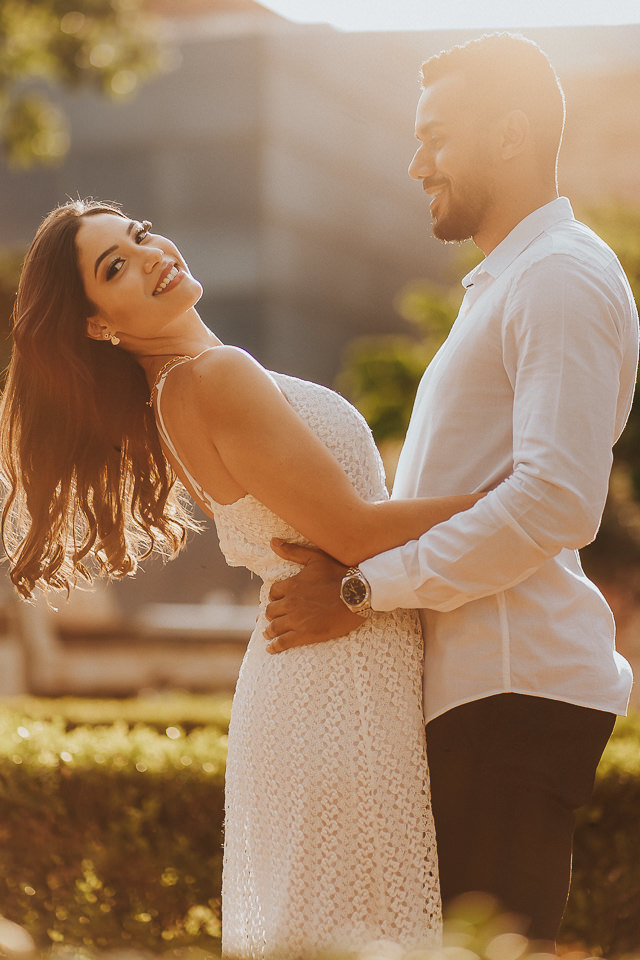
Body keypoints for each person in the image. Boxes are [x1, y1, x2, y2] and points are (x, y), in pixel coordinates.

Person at [0, 199, 484, 957]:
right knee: (369, 927)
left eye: (138, 234)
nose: (152, 252)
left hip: (318, 674)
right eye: (116, 267)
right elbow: (354, 530)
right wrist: (521, 494)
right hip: (336, 685)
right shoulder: (212, 376)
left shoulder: (187, 385)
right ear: (97, 324)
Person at [263, 32, 640, 946]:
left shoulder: (558, 277)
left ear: (509, 136)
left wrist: (361, 591)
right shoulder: (507, 283)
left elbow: (555, 499)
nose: (414, 161)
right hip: (481, 700)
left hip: (512, 697)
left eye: (436, 136)